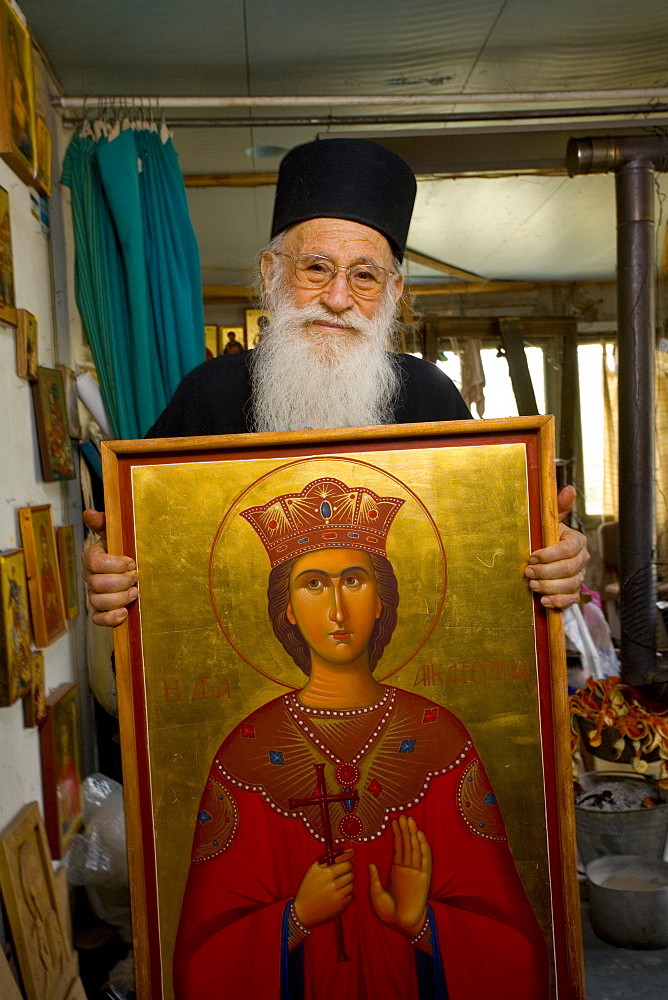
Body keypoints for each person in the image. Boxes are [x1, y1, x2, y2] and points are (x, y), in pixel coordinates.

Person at [82, 138, 588, 624]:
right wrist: (105, 563)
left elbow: (493, 543)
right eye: (316, 268)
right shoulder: (207, 392)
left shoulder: (431, 394)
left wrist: (556, 553)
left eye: (365, 276)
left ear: (393, 293)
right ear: (271, 274)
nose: (339, 298)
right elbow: (128, 536)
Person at [173, 476, 549, 1000]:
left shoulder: (439, 737)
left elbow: (518, 950)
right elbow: (200, 961)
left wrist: (421, 923)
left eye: (353, 581)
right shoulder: (247, 750)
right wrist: (295, 918)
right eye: (312, 585)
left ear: (380, 600)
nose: (336, 610)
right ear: (285, 610)